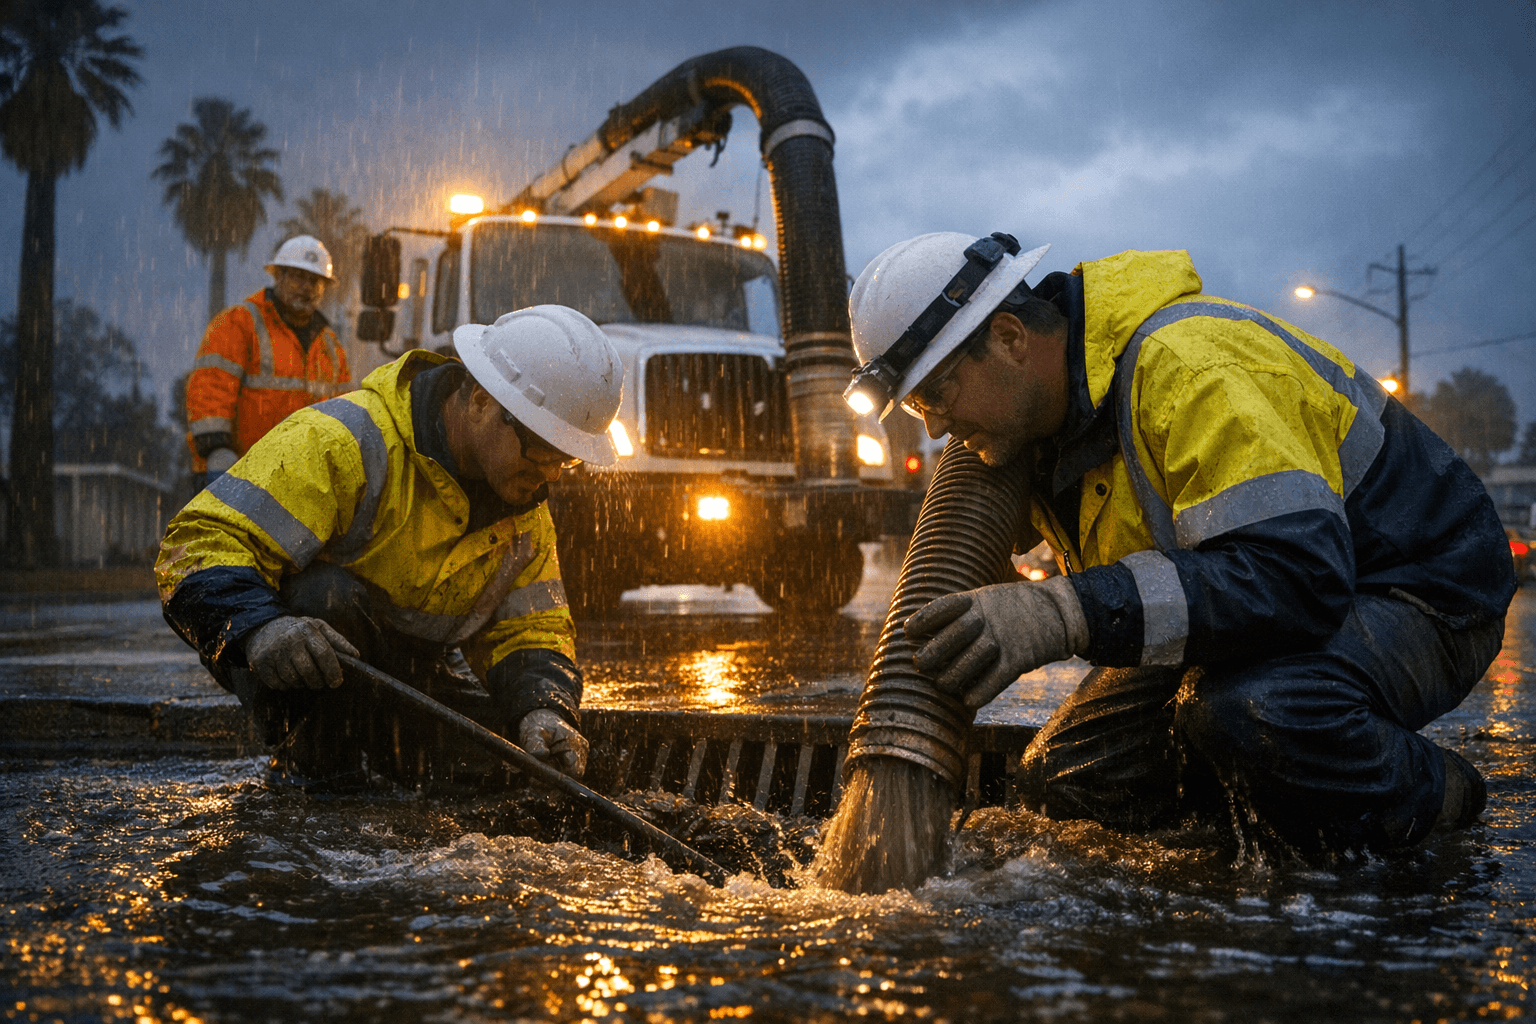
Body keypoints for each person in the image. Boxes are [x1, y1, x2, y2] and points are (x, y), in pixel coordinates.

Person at [844, 231, 1514, 854]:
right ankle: (1263, 821)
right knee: (1069, 774)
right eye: (917, 408)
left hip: (1415, 588)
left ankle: (1434, 795)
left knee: (1256, 712)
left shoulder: (1192, 368)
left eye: (937, 393)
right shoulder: (1039, 423)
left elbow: (1298, 578)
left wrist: (1062, 612)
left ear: (1010, 336)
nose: (935, 429)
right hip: (1265, 607)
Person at [157, 305, 624, 791]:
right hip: (306, 661)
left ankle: (383, 752)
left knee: (513, 771)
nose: (552, 475)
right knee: (325, 597)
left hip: (406, 678)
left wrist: (543, 708)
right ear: (481, 402)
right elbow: (193, 544)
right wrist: (259, 628)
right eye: (542, 451)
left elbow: (533, 630)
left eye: (566, 460)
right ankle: (319, 773)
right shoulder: (343, 441)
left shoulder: (524, 509)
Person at [185, 235, 351, 486]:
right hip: (235, 473)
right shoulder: (239, 323)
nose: (307, 287)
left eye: (315, 281)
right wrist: (216, 448)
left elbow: (344, 414)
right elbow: (211, 387)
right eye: (298, 277)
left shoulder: (331, 347)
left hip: (297, 482)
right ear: (279, 276)